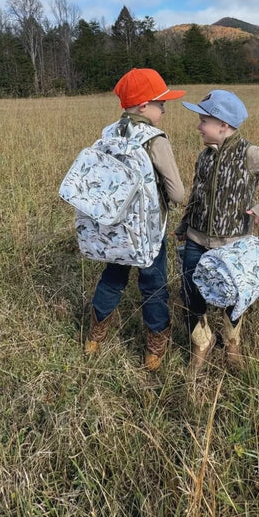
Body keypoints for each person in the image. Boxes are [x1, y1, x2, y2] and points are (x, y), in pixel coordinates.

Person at [176, 90, 259, 374]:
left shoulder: (249, 154)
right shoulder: (204, 155)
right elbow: (197, 193)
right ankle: (201, 345)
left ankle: (232, 345)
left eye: (203, 120)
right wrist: (185, 223)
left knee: (233, 297)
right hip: (195, 239)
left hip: (233, 245)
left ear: (224, 126)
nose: (198, 126)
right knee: (192, 293)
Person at [84, 68, 185, 371]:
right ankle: (154, 349)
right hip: (148, 232)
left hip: (113, 229)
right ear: (144, 106)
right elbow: (178, 193)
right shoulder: (155, 140)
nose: (164, 108)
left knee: (112, 278)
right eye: (160, 103)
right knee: (153, 284)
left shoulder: (107, 133)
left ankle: (94, 337)